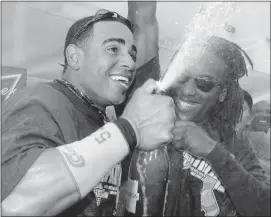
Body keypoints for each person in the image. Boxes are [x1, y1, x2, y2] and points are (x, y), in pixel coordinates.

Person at [1, 2, 176, 216]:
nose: (130, 64)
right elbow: (15, 201)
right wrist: (128, 129)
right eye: (113, 49)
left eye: (132, 54)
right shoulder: (40, 101)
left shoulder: (101, 119)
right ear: (74, 57)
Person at [125, 36, 270, 216]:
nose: (188, 91)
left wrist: (213, 151)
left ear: (222, 93)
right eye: (182, 77)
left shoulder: (234, 142)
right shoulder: (147, 116)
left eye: (204, 84)